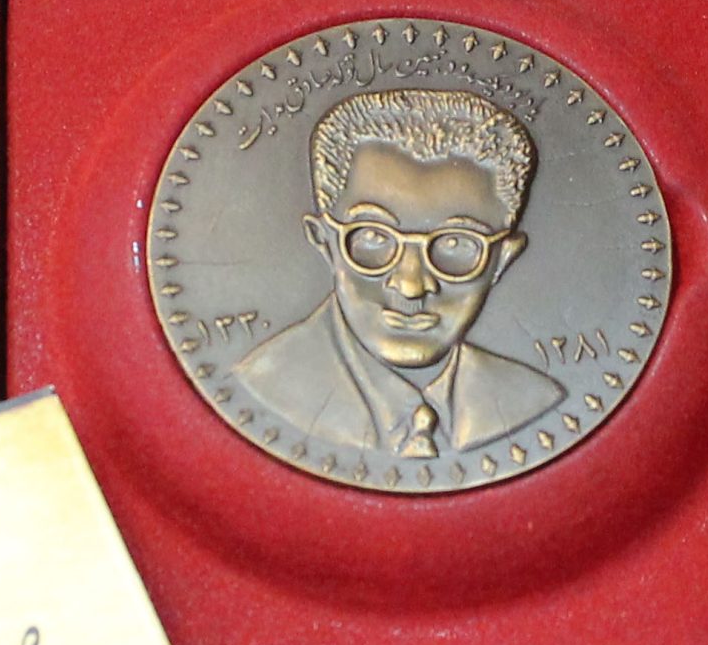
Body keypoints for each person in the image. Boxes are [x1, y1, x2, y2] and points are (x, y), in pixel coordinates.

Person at [228, 87, 565, 458]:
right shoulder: (264, 382)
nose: (411, 286)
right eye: (374, 237)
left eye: (455, 243)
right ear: (323, 240)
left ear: (503, 259)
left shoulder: (532, 398)